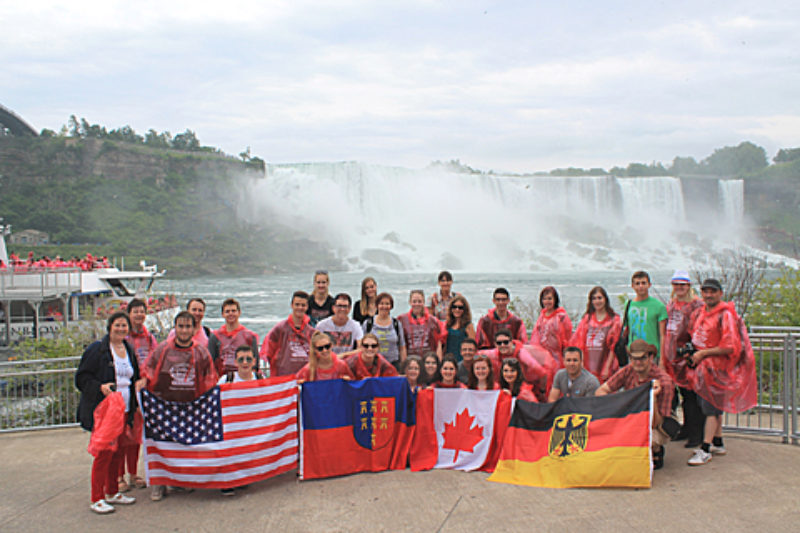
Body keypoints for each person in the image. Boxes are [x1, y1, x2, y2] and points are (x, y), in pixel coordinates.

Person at [143, 310, 218, 501]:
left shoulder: (201, 351)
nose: (184, 330)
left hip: (191, 407)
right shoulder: (162, 350)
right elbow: (148, 370)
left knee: (183, 446)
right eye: (180, 326)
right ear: (175, 328)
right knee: (160, 445)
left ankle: (179, 480)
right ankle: (158, 484)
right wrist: (142, 384)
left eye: (187, 326)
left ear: (194, 329)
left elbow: (210, 378)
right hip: (163, 407)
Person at [76, 312, 145, 514]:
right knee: (104, 453)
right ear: (110, 327)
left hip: (123, 410)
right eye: (117, 325)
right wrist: (100, 387)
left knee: (118, 452)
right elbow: (82, 378)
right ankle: (97, 497)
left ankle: (113, 492)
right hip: (105, 410)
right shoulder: (97, 350)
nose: (121, 329)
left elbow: (135, 377)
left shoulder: (128, 349)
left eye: (124, 326)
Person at [686, 279, 757, 466]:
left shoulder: (725, 315)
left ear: (720, 293)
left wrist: (703, 353)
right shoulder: (703, 313)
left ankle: (705, 448)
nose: (709, 295)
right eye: (705, 291)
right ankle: (718, 442)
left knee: (710, 410)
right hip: (705, 369)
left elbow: (729, 346)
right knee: (714, 407)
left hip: (717, 369)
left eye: (712, 292)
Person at [595, 340, 675, 470]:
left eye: (642, 358)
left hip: (656, 423)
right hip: (631, 418)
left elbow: (657, 422)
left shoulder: (664, 381)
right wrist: (618, 406)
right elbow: (600, 392)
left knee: (652, 439)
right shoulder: (628, 370)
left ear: (650, 357)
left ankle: (656, 450)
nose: (638, 362)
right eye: (634, 358)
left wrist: (653, 398)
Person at [661, 270, 705, 448]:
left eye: (683, 284)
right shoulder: (672, 304)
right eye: (676, 284)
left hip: (688, 357)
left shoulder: (697, 305)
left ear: (688, 286)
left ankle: (697, 434)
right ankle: (686, 428)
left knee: (693, 397)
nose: (679, 287)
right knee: (682, 396)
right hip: (673, 358)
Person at [119, 298, 156, 493]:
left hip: (143, 391)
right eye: (136, 311)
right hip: (124, 391)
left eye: (142, 311)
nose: (139, 315)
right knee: (121, 435)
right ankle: (119, 476)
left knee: (135, 436)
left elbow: (155, 359)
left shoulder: (149, 337)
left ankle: (133, 474)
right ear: (129, 313)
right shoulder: (122, 337)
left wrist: (147, 378)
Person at [216, 345, 262, 497]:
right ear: (235, 362)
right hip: (232, 426)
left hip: (252, 424)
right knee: (230, 454)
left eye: (248, 359)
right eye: (241, 359)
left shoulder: (261, 379)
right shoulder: (226, 379)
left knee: (247, 453)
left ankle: (243, 478)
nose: (245, 363)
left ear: (254, 361)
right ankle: (227, 483)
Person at [481, 329, 555, 401]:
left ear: (511, 342)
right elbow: (480, 354)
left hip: (531, 383)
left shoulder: (522, 354)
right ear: (495, 344)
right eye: (499, 343)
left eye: (506, 342)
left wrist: (541, 391)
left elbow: (541, 371)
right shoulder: (495, 353)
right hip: (511, 385)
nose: (502, 345)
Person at [569, 286, 622, 382]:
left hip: (605, 364)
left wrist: (607, 367)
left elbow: (613, 347)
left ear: (605, 299)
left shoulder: (614, 320)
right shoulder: (587, 319)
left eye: (599, 298)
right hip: (588, 365)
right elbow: (580, 343)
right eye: (594, 298)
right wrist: (580, 365)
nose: (597, 301)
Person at [260, 291, 317, 377]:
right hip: (283, 378)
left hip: (305, 378)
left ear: (307, 307)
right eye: (297, 304)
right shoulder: (280, 328)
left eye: (303, 305)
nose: (300, 308)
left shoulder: (311, 332)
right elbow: (268, 352)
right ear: (291, 305)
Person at [208, 298, 260, 377]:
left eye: (233, 311)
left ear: (239, 313)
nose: (230, 314)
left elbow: (255, 363)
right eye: (227, 311)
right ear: (223, 314)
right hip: (222, 379)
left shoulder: (249, 336)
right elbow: (210, 362)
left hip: (244, 379)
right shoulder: (215, 336)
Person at [624, 271, 668, 355]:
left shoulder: (659, 306)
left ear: (649, 285)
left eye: (643, 283)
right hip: (633, 353)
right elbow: (627, 329)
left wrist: (662, 359)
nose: (641, 286)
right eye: (637, 283)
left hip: (652, 353)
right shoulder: (628, 304)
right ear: (632, 286)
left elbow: (663, 335)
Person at [529, 286, 573, 368]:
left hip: (557, 356)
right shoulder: (542, 316)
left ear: (555, 300)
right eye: (544, 299)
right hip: (543, 357)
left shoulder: (561, 316)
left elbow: (568, 337)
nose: (547, 301)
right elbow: (536, 336)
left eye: (549, 299)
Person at [362, 292, 407, 371]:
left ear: (391, 306)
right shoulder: (369, 323)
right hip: (374, 364)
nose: (384, 306)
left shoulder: (396, 323)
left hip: (393, 364)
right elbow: (361, 346)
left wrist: (403, 367)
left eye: (387, 304)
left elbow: (402, 347)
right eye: (381, 303)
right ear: (377, 305)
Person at [397, 290, 445, 358]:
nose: (417, 304)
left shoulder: (432, 320)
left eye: (419, 301)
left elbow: (438, 344)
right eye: (414, 301)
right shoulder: (402, 319)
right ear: (410, 302)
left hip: (428, 361)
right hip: (409, 361)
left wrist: (438, 362)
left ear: (424, 302)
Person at [443, 294, 476, 363]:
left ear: (465, 310)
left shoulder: (468, 326)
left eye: (460, 307)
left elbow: (473, 347)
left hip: (462, 360)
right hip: (448, 360)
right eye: (454, 307)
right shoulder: (447, 325)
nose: (457, 309)